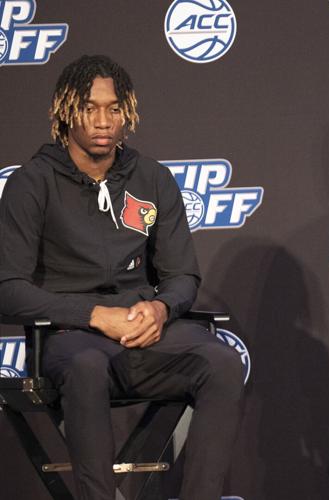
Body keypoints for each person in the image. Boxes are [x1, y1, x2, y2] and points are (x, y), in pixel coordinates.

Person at [0, 55, 244, 500]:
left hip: (142, 334)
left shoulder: (151, 178)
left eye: (113, 108)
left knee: (223, 363)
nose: (102, 120)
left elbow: (182, 275)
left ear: (127, 111)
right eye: (89, 107)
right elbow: (8, 290)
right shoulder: (32, 184)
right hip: (71, 338)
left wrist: (160, 307)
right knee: (88, 365)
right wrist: (94, 315)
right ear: (65, 110)